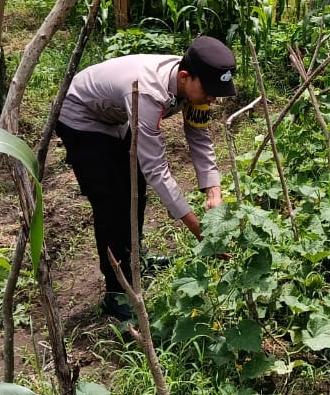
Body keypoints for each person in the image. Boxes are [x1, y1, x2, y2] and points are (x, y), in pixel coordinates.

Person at [55, 37, 236, 320]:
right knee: (112, 203)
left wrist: (214, 193)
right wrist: (198, 229)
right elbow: (156, 168)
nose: (213, 98)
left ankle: (135, 256)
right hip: (81, 116)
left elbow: (199, 135)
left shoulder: (196, 85)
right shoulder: (149, 94)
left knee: (135, 188)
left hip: (116, 117)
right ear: (185, 77)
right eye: (210, 91)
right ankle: (117, 291)